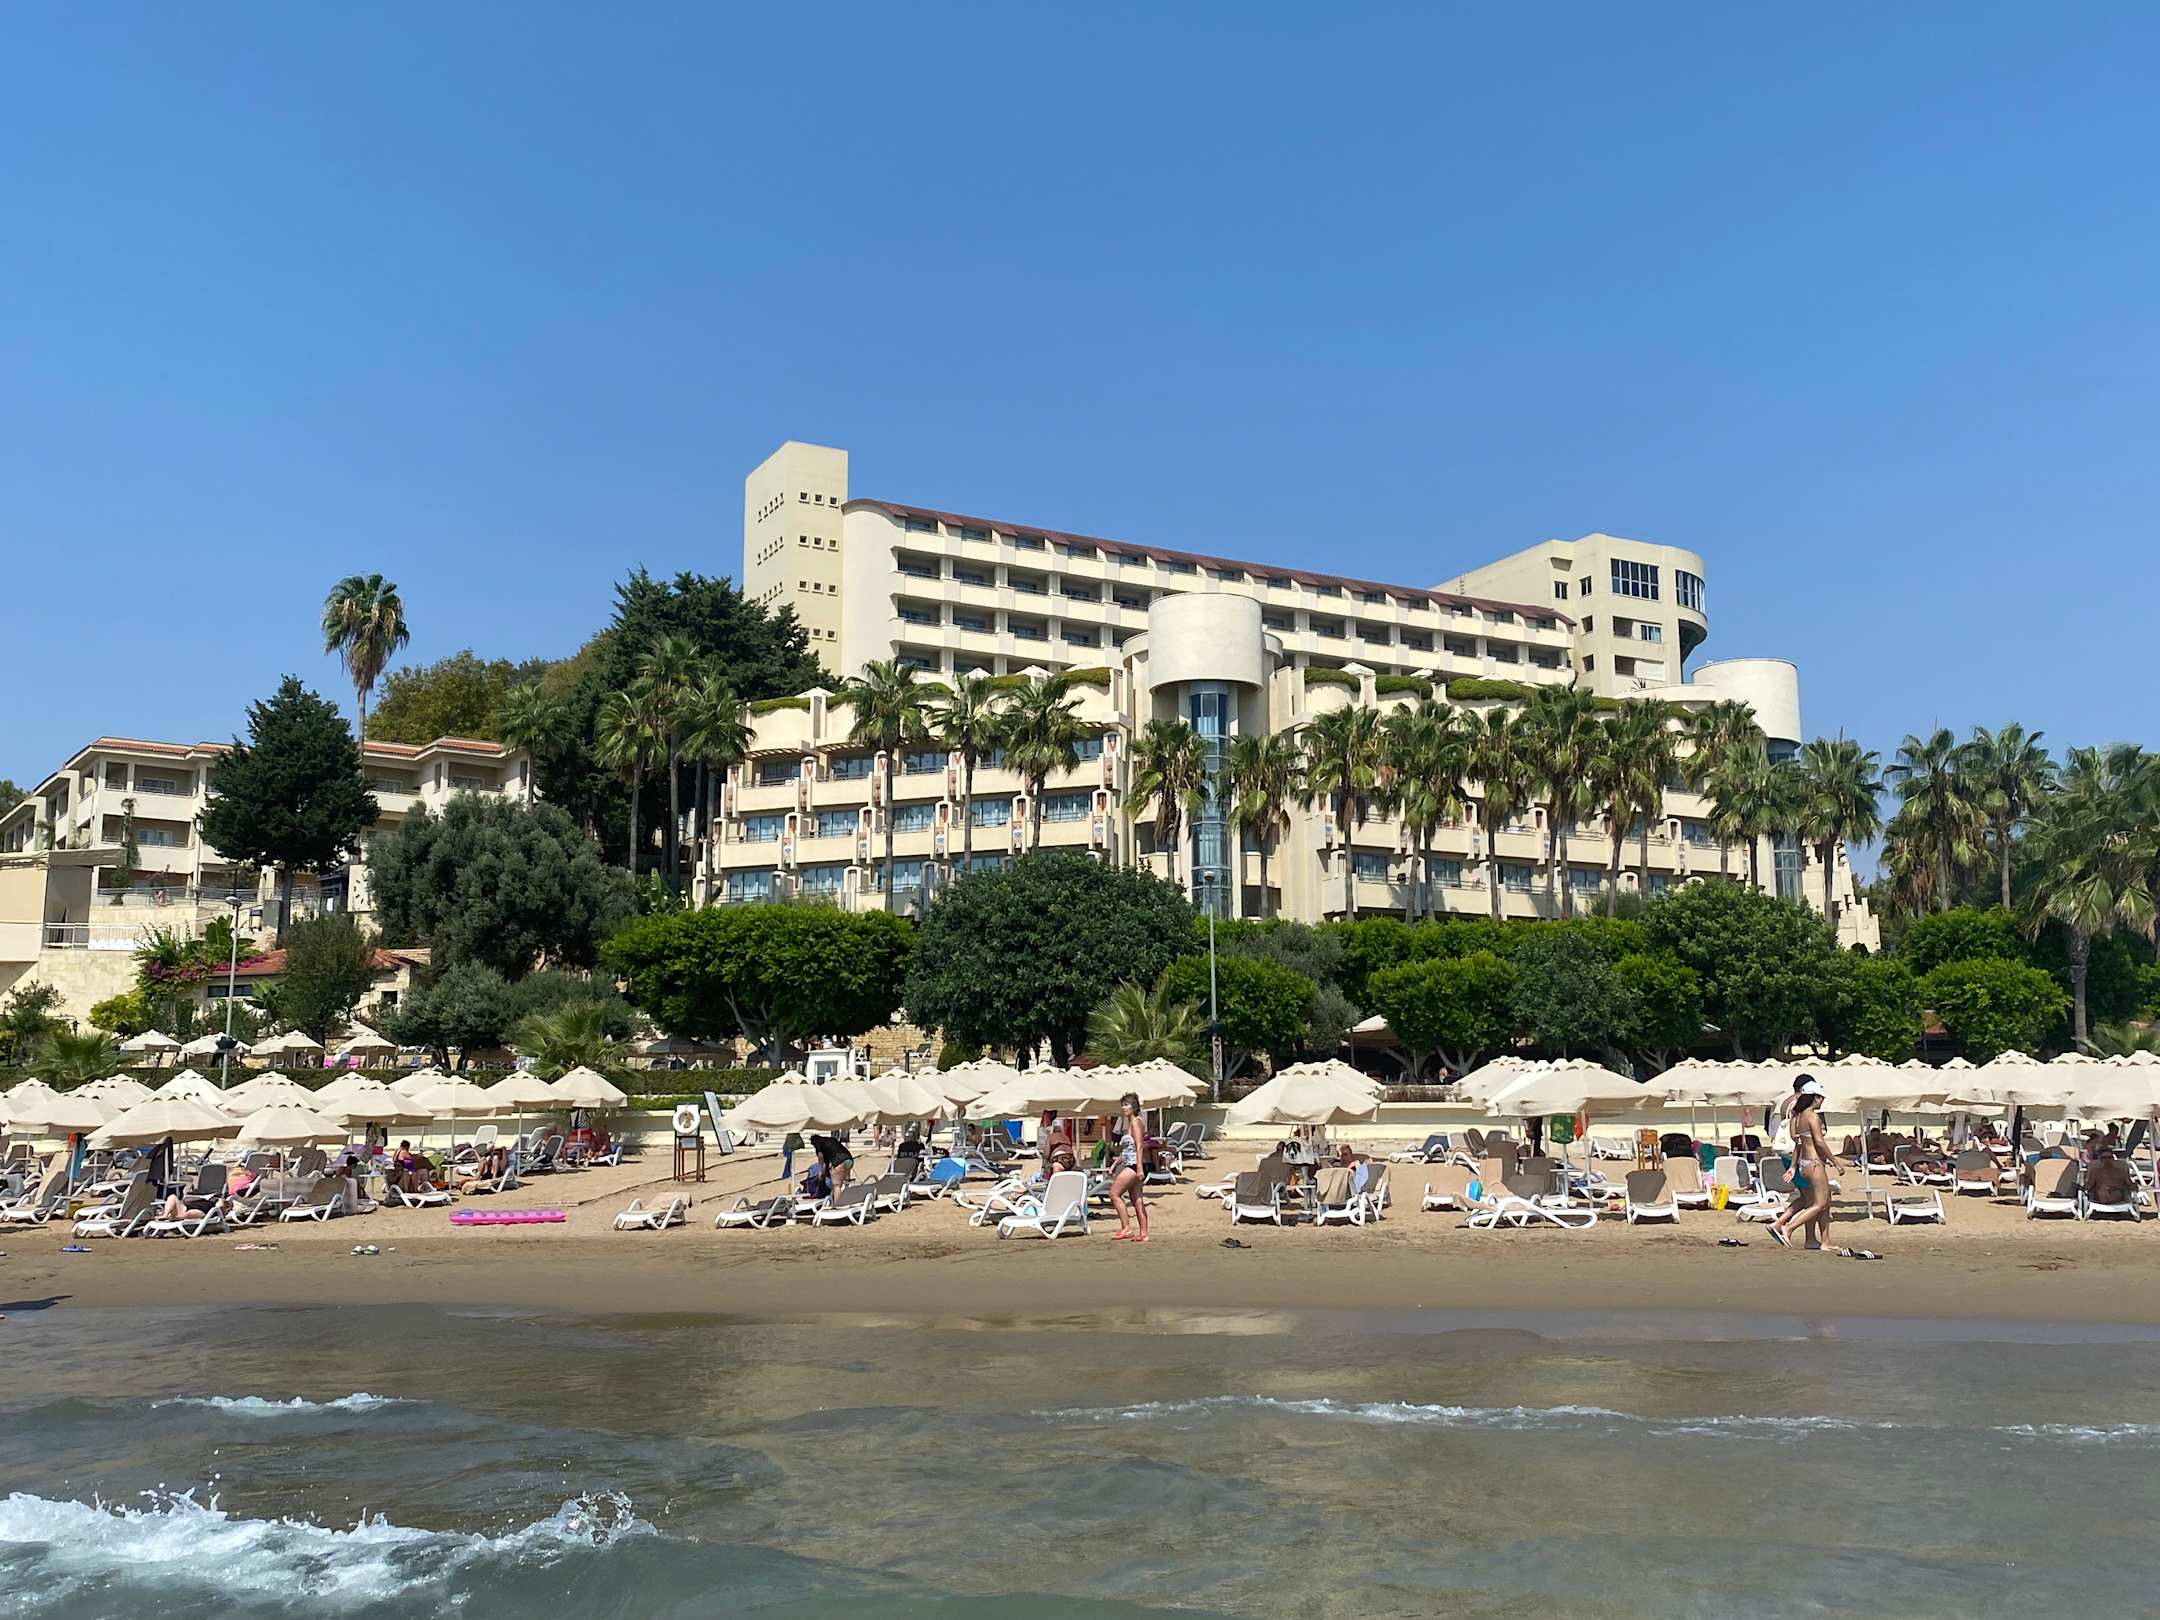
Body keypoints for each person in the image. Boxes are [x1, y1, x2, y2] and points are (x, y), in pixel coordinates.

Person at [1768, 1079, 1842, 1251]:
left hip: (1804, 1163)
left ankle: (1823, 1242)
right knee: (1820, 1203)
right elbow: (1820, 1142)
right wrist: (1835, 1162)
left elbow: (1798, 1143)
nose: (1822, 1101)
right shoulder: (1812, 1116)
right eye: (1821, 1097)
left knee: (1820, 1201)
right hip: (1815, 1164)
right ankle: (1788, 1227)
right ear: (1815, 1098)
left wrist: (1794, 1167)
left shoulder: (1798, 1117)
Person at [1108, 1091, 1149, 1243]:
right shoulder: (1129, 1124)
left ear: (1134, 1107)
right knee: (1137, 1199)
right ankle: (1144, 1233)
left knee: (1114, 1194)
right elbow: (1126, 1152)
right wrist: (1114, 1164)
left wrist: (1139, 1168)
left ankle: (1126, 1228)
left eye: (1127, 1105)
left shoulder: (1136, 1123)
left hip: (1134, 1165)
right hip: (1131, 1163)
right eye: (1123, 1105)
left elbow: (1139, 1145)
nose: (1124, 1108)